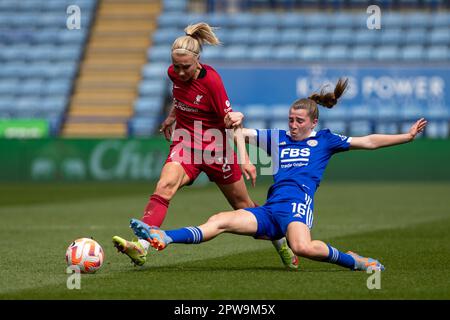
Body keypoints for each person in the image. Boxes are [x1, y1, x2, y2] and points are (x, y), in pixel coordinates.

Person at [127, 78, 428, 271]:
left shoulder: (325, 140)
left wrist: (407, 136)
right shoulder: (278, 138)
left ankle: (356, 261)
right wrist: (243, 151)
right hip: (271, 210)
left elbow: (369, 141)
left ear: (313, 122)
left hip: (297, 207)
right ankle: (162, 236)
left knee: (303, 247)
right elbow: (237, 133)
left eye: (298, 121)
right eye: (290, 120)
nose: (293, 125)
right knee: (219, 220)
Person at [113, 22, 297, 269]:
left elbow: (232, 123)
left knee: (244, 208)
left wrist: (244, 158)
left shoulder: (212, 83)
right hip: (186, 143)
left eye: (185, 67)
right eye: (175, 66)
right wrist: (171, 116)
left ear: (197, 61)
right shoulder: (173, 73)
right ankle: (142, 246)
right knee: (165, 185)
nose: (178, 72)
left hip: (216, 150)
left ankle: (281, 242)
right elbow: (180, 97)